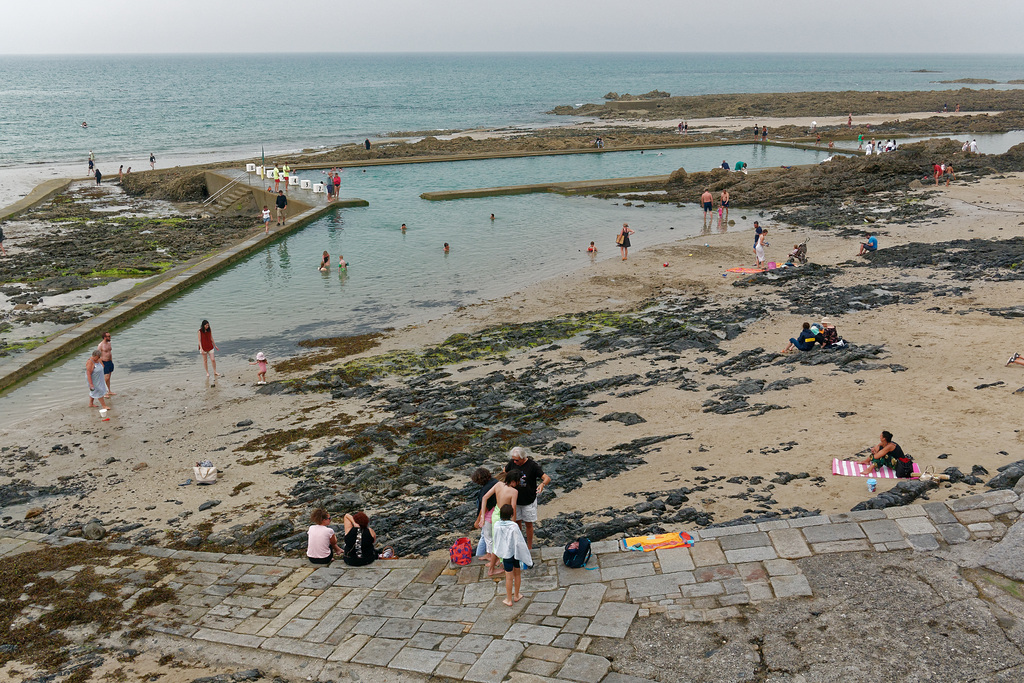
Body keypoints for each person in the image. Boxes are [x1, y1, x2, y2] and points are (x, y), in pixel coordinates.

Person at [505, 446, 550, 549]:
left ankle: (529, 547)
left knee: (528, 524)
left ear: (523, 457)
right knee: (517, 523)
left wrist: (542, 485)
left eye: (517, 460)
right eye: (513, 460)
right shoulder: (512, 462)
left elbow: (547, 478)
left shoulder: (532, 465)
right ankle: (520, 544)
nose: (515, 462)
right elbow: (505, 472)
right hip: (515, 500)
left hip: (528, 500)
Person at [493, 504, 532, 606]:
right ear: (511, 515)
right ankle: (517, 595)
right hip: (515, 553)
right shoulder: (514, 526)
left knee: (509, 577)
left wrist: (498, 555)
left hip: (506, 555)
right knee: (517, 574)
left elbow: (496, 541)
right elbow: (519, 541)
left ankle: (508, 599)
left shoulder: (497, 525)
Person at [471, 467, 501, 577]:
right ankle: (487, 554)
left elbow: (485, 507)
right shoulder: (495, 482)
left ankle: (491, 557)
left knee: (488, 536)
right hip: (497, 511)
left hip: (490, 515)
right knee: (487, 536)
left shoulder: (484, 491)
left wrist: (478, 520)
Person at [198, 319, 222, 384]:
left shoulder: (209, 330)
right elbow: (199, 341)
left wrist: (215, 345)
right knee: (205, 361)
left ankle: (215, 371)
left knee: (213, 359)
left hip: (210, 346)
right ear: (203, 325)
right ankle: (207, 372)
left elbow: (211, 338)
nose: (207, 326)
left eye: (208, 325)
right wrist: (201, 348)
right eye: (206, 325)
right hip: (203, 348)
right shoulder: (200, 331)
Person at [97, 332, 115, 397]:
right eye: (109, 336)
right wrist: (102, 364)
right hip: (104, 362)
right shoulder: (100, 345)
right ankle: (104, 392)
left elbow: (110, 353)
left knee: (109, 377)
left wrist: (111, 361)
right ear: (105, 337)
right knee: (106, 377)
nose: (110, 337)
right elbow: (97, 356)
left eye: (110, 336)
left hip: (109, 362)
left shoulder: (109, 344)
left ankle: (109, 391)